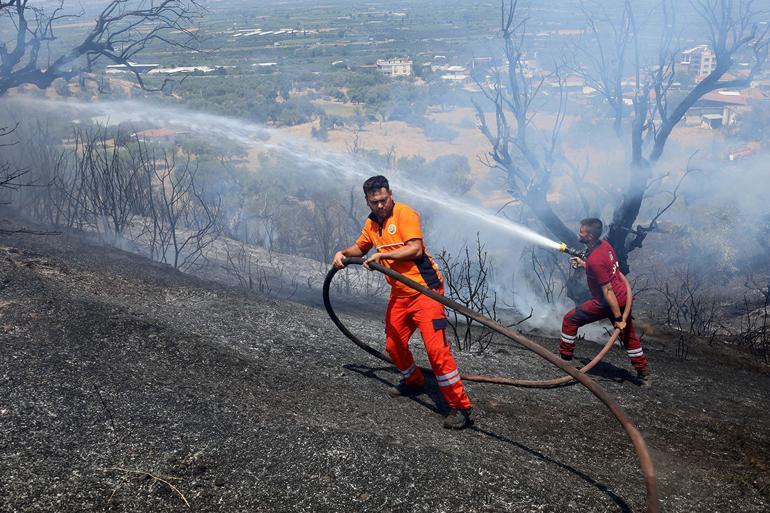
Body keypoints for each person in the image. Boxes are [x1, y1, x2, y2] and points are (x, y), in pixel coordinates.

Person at [332, 175, 474, 429]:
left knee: (436, 352)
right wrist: (342, 253)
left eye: (383, 200)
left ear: (391, 195)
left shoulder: (404, 213)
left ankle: (459, 407)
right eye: (374, 202)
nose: (380, 206)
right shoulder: (372, 224)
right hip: (400, 293)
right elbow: (359, 248)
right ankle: (414, 381)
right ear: (367, 202)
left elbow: (415, 249)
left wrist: (383, 255)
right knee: (393, 344)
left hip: (424, 290)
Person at [560, 218, 652, 388]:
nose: (578, 233)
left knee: (569, 320)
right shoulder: (605, 246)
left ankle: (564, 362)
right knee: (628, 336)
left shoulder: (596, 260)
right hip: (622, 296)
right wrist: (583, 264)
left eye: (581, 231)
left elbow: (607, 290)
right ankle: (644, 373)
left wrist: (618, 318)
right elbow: (605, 269)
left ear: (590, 236)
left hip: (607, 302)